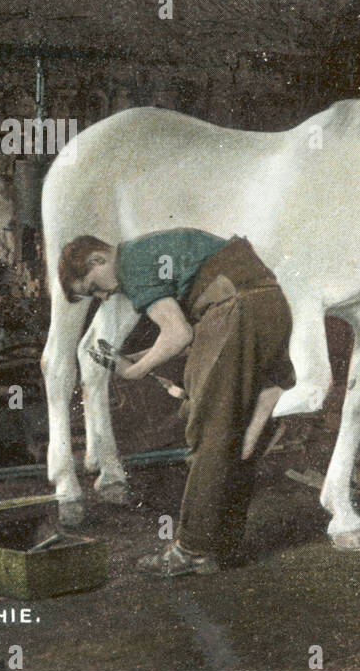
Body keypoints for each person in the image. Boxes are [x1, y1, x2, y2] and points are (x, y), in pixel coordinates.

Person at [59, 228, 293, 576]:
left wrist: (135, 371)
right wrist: (139, 357)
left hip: (233, 309)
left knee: (209, 431)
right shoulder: (152, 249)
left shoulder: (130, 264)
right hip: (268, 306)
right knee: (237, 431)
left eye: (94, 287)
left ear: (99, 259)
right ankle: (222, 546)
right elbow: (194, 335)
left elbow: (179, 333)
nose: (104, 297)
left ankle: (192, 548)